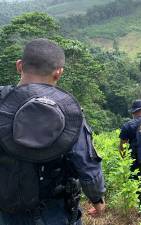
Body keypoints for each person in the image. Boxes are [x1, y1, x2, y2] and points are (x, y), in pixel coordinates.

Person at [0, 39, 106, 225]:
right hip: (53, 212)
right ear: (58, 73)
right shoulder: (68, 112)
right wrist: (97, 199)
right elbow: (86, 163)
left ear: (19, 66)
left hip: (6, 209)